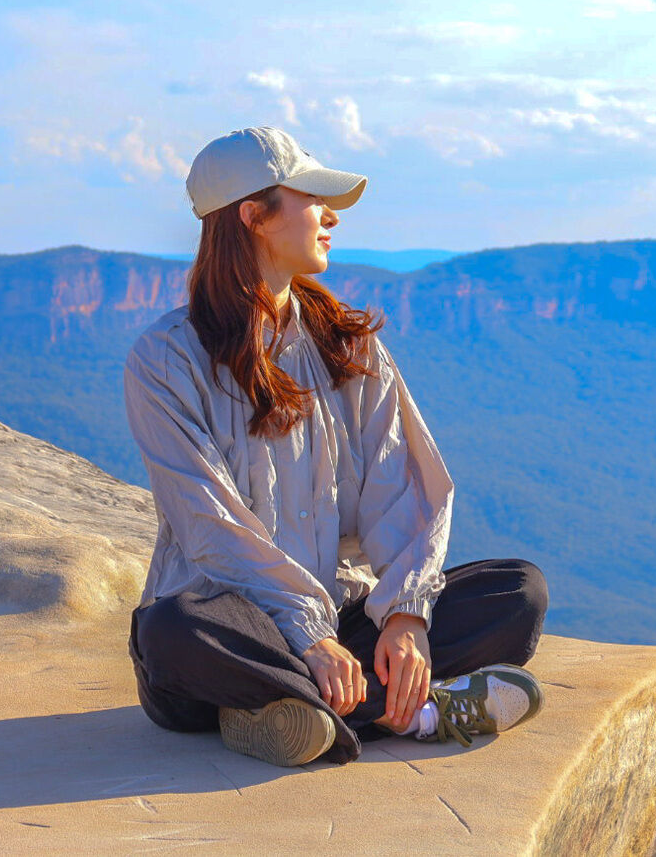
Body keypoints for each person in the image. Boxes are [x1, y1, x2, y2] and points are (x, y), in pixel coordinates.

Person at [123, 126, 548, 767]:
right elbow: (209, 527)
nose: (332, 218)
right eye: (312, 200)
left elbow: (403, 486)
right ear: (254, 216)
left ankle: (286, 713)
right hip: (241, 627)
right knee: (171, 630)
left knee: (519, 593)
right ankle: (421, 713)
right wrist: (306, 637)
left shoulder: (347, 346)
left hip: (341, 623)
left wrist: (406, 616)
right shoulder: (165, 360)